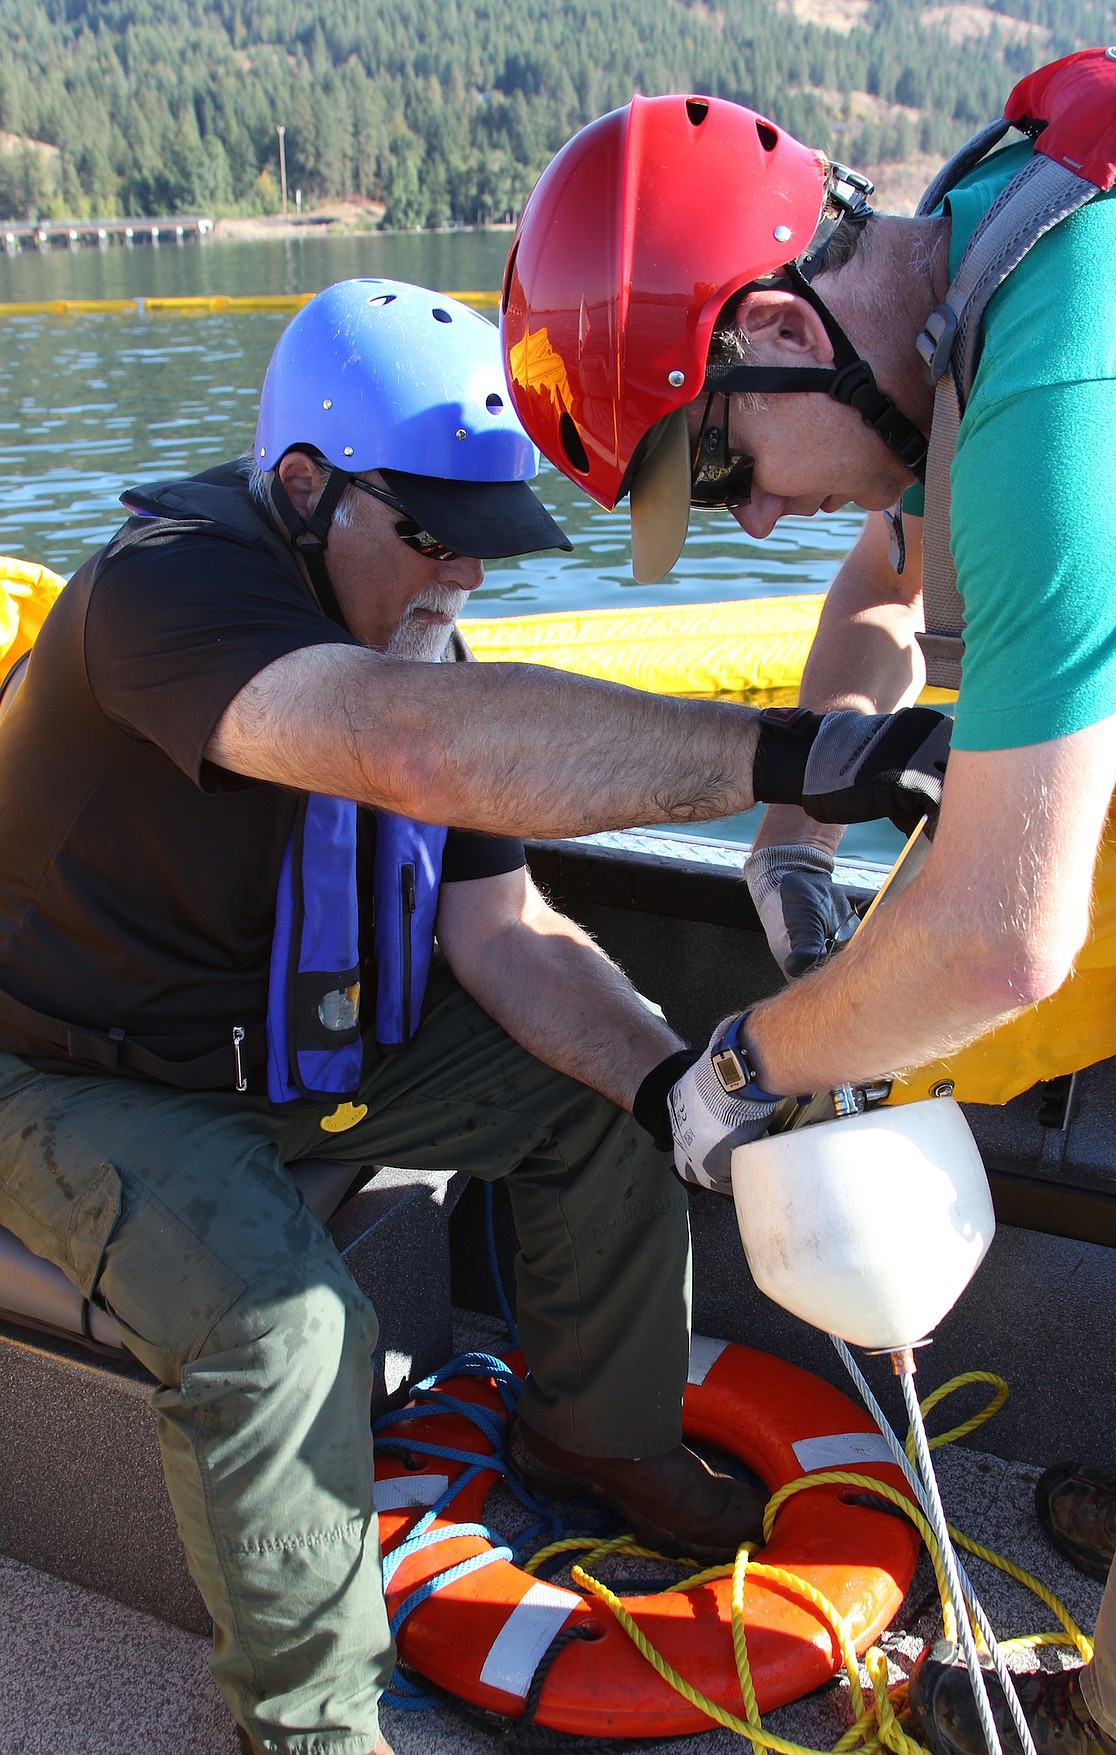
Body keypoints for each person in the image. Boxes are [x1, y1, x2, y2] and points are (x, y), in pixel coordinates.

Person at [0, 277, 947, 1755]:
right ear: (303, 491)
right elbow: (412, 746)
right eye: (433, 538)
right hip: (75, 1073)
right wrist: (813, 756)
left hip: (324, 1046)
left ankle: (595, 1436)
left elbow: (501, 929)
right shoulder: (163, 594)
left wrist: (668, 1091)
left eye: (484, 546)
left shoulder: (412, 627)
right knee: (286, 1327)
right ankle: (303, 1727)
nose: (462, 583)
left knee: (609, 1097)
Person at [500, 79, 1116, 1755]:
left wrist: (736, 1070)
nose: (744, 513)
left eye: (716, 455)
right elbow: (889, 562)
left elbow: (997, 940)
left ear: (788, 321)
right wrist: (792, 834)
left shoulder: (1069, 390)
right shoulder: (994, 244)